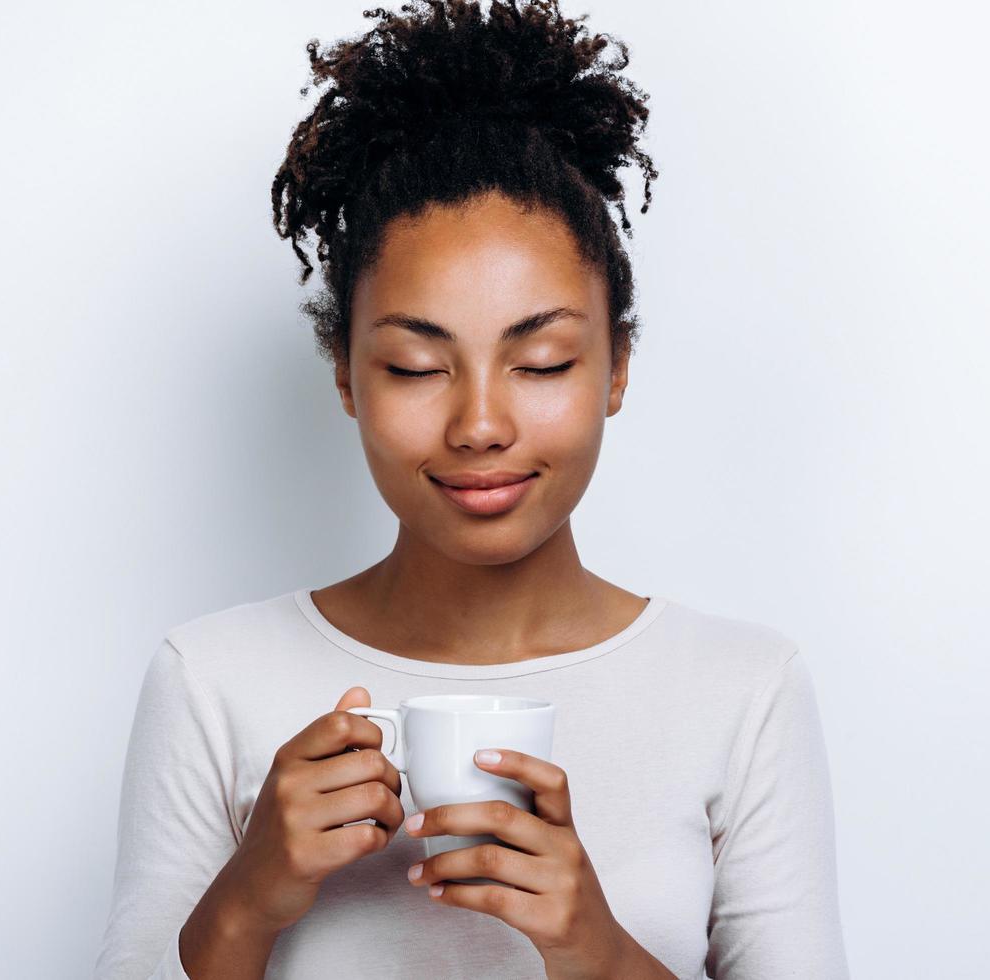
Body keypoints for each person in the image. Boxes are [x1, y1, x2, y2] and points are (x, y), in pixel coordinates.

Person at [93, 2, 848, 977]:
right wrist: (245, 899)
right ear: (345, 374)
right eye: (414, 366)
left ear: (615, 364)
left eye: (539, 361)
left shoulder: (743, 691)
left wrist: (600, 951)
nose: (480, 423)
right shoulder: (210, 678)